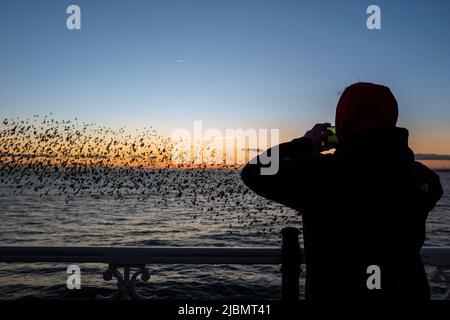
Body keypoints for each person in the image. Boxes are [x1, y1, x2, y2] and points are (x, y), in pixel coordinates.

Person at [241, 82, 443, 300]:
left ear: (344, 121)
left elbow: (255, 171)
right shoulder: (424, 178)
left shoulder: (324, 173)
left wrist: (305, 143)